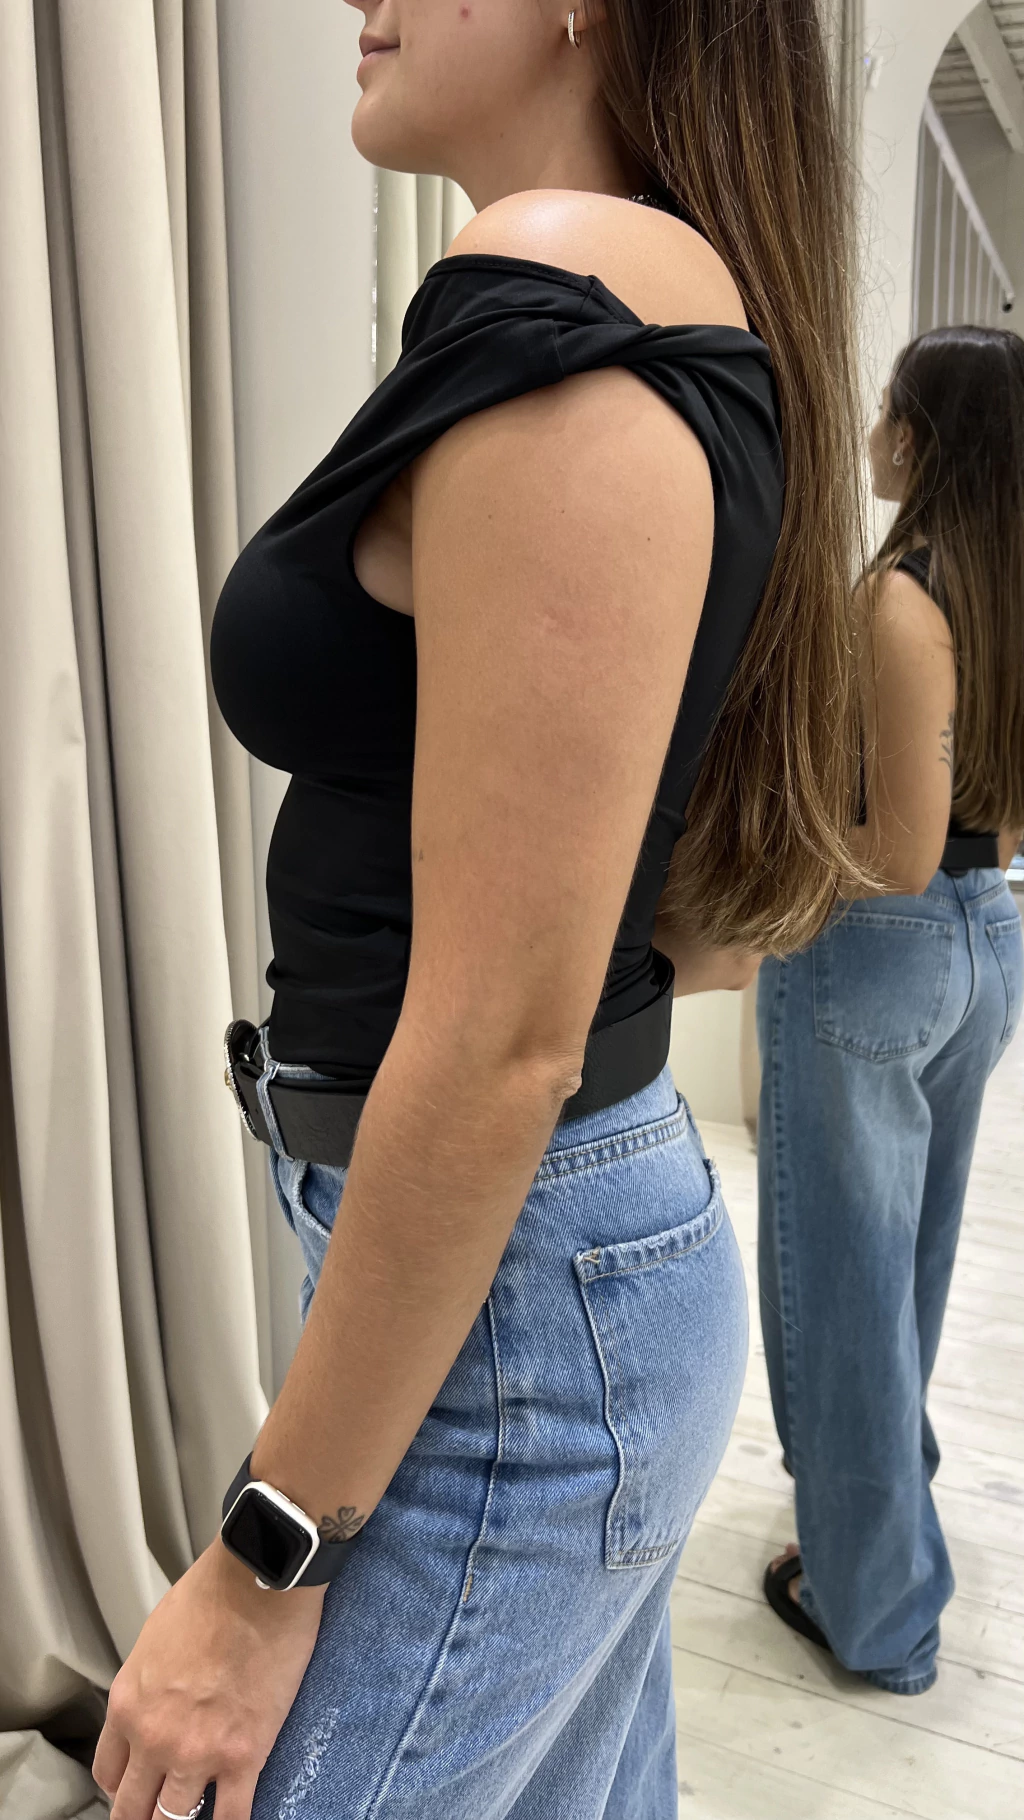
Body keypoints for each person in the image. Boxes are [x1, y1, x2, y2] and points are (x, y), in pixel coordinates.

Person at [93, 4, 864, 1816]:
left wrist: (259, 1568)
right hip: (539, 1280)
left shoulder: (563, 302)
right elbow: (671, 929)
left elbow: (507, 1038)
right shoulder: (662, 311)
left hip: (517, 1315)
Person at [759, 324, 1024, 1695]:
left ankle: (873, 1610)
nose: (870, 433)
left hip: (879, 951)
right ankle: (882, 1523)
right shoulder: (1006, 594)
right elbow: (987, 830)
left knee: (842, 1279)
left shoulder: (904, 602)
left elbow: (897, 852)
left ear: (915, 440)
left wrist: (770, 865)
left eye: (883, 414)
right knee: (903, 1261)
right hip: (990, 940)